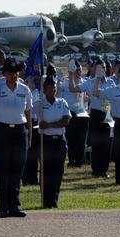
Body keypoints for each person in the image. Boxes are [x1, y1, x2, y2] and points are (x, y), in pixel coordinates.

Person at [0, 57, 33, 217]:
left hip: (20, 133)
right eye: (10, 72)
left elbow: (29, 115)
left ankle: (15, 206)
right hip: (2, 132)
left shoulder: (25, 90)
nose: (14, 75)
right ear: (4, 73)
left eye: (16, 72)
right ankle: (3, 207)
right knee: (3, 171)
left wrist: (30, 137)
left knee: (17, 170)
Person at [39, 75, 71, 208]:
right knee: (46, 171)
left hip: (59, 141)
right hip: (45, 141)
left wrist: (49, 125)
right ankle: (46, 200)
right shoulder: (40, 104)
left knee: (57, 172)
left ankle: (54, 200)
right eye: (50, 88)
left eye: (54, 87)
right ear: (44, 89)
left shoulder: (62, 102)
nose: (53, 90)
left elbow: (66, 121)